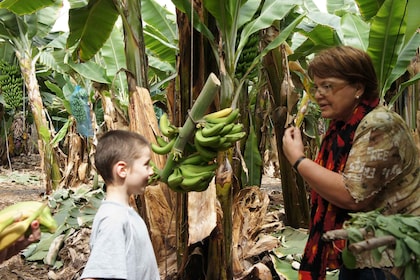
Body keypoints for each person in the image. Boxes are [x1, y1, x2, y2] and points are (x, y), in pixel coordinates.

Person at [282, 45, 419, 280]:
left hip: (387, 259)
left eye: (328, 86)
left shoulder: (379, 124)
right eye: (317, 86)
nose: (319, 94)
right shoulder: (343, 127)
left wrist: (298, 160)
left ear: (358, 87)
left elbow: (351, 195)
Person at [81, 130, 160, 280]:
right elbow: (95, 276)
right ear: (122, 170)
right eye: (146, 165)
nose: (151, 171)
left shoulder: (123, 213)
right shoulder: (114, 219)